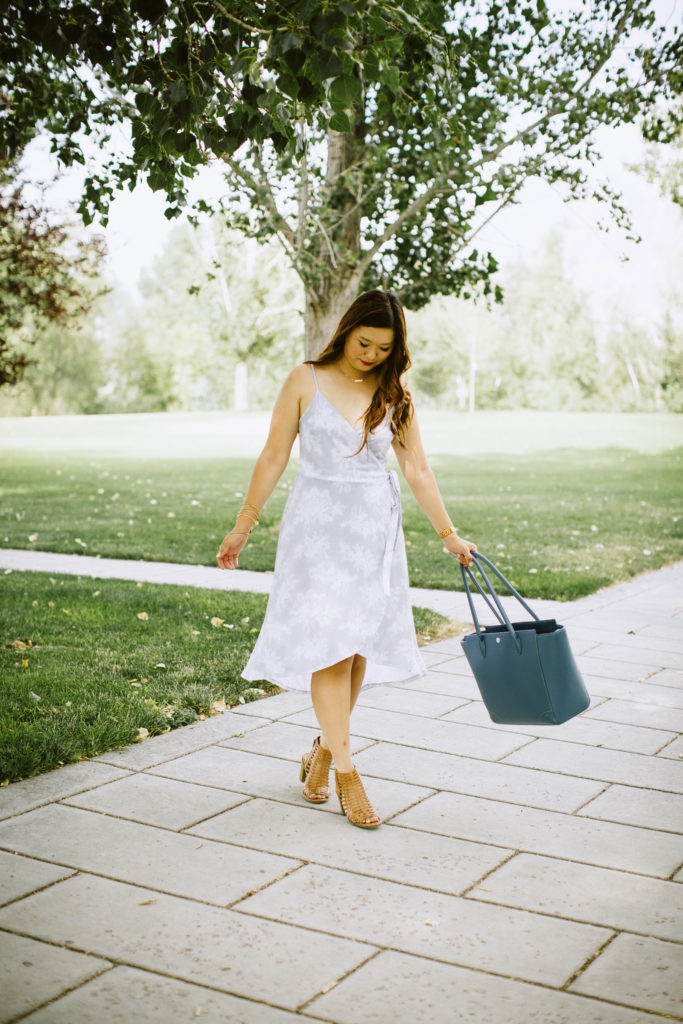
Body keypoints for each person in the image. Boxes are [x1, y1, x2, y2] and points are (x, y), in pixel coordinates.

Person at [217, 290, 476, 829]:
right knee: (331, 651)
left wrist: (448, 533)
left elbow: (417, 469)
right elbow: (273, 455)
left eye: (384, 348)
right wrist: (243, 526)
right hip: (316, 530)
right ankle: (347, 773)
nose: (372, 356)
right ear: (346, 330)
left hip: (373, 531)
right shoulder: (304, 379)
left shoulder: (395, 389)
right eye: (365, 343)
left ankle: (324, 751)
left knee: (356, 650)